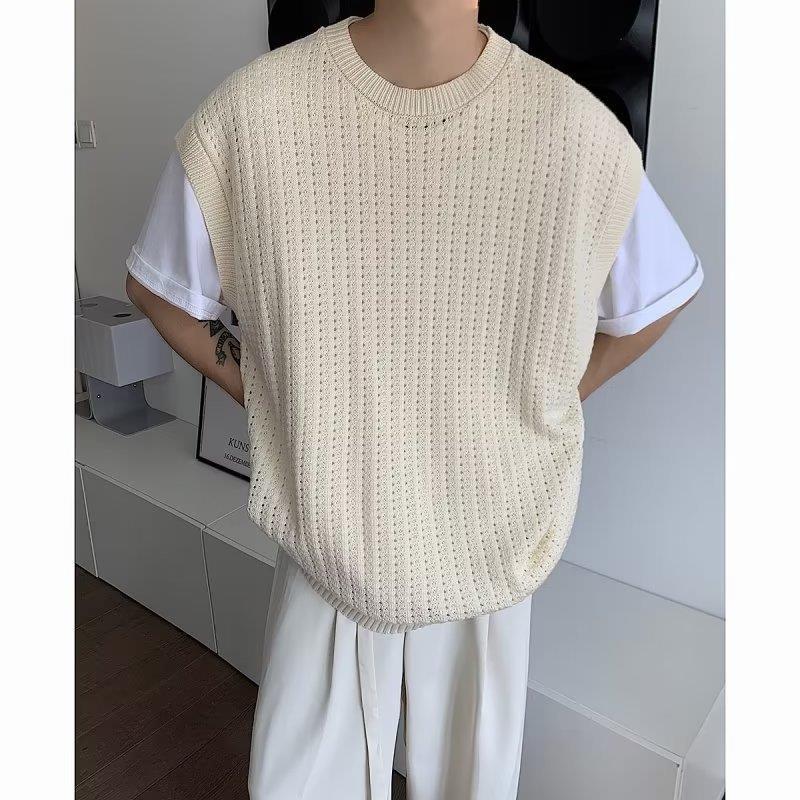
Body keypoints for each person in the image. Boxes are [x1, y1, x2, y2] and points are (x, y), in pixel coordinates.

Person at [125, 2, 703, 798]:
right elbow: (158, 289)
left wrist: (549, 396)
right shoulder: (253, 115)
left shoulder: (575, 132)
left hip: (480, 533)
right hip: (336, 530)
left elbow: (661, 295)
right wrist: (269, 392)